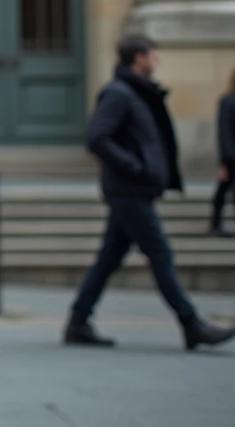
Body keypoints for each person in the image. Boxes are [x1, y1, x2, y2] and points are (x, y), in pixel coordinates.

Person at [64, 33, 235, 351]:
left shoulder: (136, 93)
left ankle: (77, 321)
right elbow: (97, 137)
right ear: (139, 58)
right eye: (153, 54)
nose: (158, 60)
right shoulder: (119, 93)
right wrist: (135, 167)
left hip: (133, 188)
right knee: (160, 254)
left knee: (109, 258)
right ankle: (191, 323)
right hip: (129, 190)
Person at [209, 67, 235, 236]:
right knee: (223, 190)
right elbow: (224, 131)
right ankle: (215, 224)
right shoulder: (228, 101)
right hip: (232, 156)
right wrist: (225, 160)